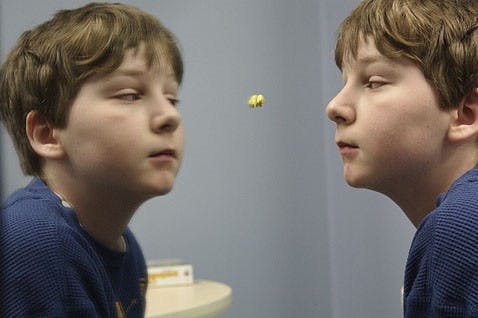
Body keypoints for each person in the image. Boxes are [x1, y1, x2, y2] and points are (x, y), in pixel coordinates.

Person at [0, 2, 184, 317]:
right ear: (48, 134)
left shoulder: (125, 247)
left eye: (172, 99)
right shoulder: (34, 241)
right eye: (130, 94)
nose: (170, 115)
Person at [326, 0, 478, 316]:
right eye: (345, 83)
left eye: (374, 82)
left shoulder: (460, 231)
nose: (335, 107)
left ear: (465, 113)